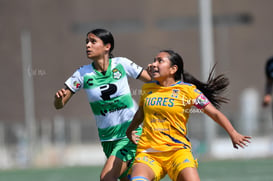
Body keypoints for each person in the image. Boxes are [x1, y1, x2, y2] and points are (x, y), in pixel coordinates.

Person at [126, 50, 251, 181]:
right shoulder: (147, 88)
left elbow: (214, 113)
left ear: (173, 69)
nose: (153, 64)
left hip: (177, 151)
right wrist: (130, 131)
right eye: (154, 60)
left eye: (160, 61)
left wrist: (233, 133)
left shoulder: (188, 90)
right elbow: (141, 113)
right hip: (148, 152)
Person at [54, 28, 151, 181]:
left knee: (106, 177)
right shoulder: (82, 74)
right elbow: (59, 105)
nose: (87, 45)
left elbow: (152, 80)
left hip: (130, 134)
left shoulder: (122, 64)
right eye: (86, 42)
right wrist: (58, 98)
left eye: (93, 42)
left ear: (107, 46)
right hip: (107, 140)